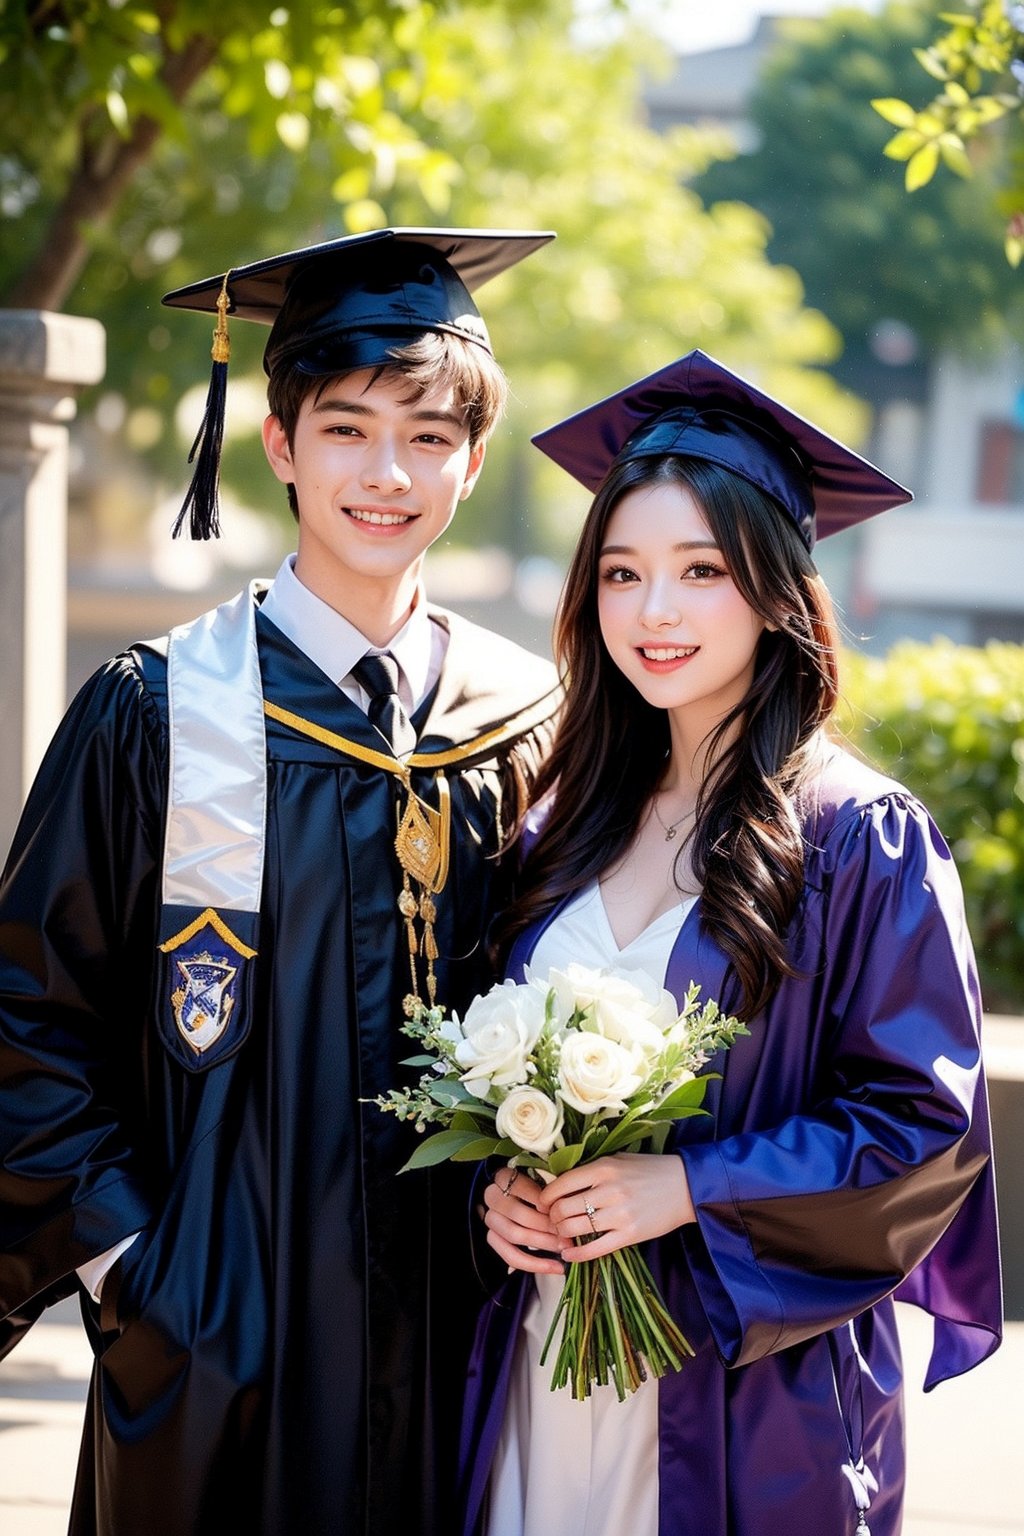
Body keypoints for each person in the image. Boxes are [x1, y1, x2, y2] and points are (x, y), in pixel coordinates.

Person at [0, 227, 561, 1536]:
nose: (387, 472)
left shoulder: (526, 721)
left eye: (429, 437)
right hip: (220, 1345)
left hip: (475, 1337)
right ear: (278, 442)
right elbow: (27, 1018)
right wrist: (141, 1267)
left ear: (474, 463)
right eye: (349, 428)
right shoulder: (161, 710)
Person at [460, 351, 1002, 1536]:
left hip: (745, 1399)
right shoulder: (554, 828)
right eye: (621, 572)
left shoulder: (858, 840)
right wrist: (497, 1198)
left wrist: (689, 1188)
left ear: (774, 590)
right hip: (539, 1370)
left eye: (699, 570)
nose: (653, 611)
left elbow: (923, 1128)